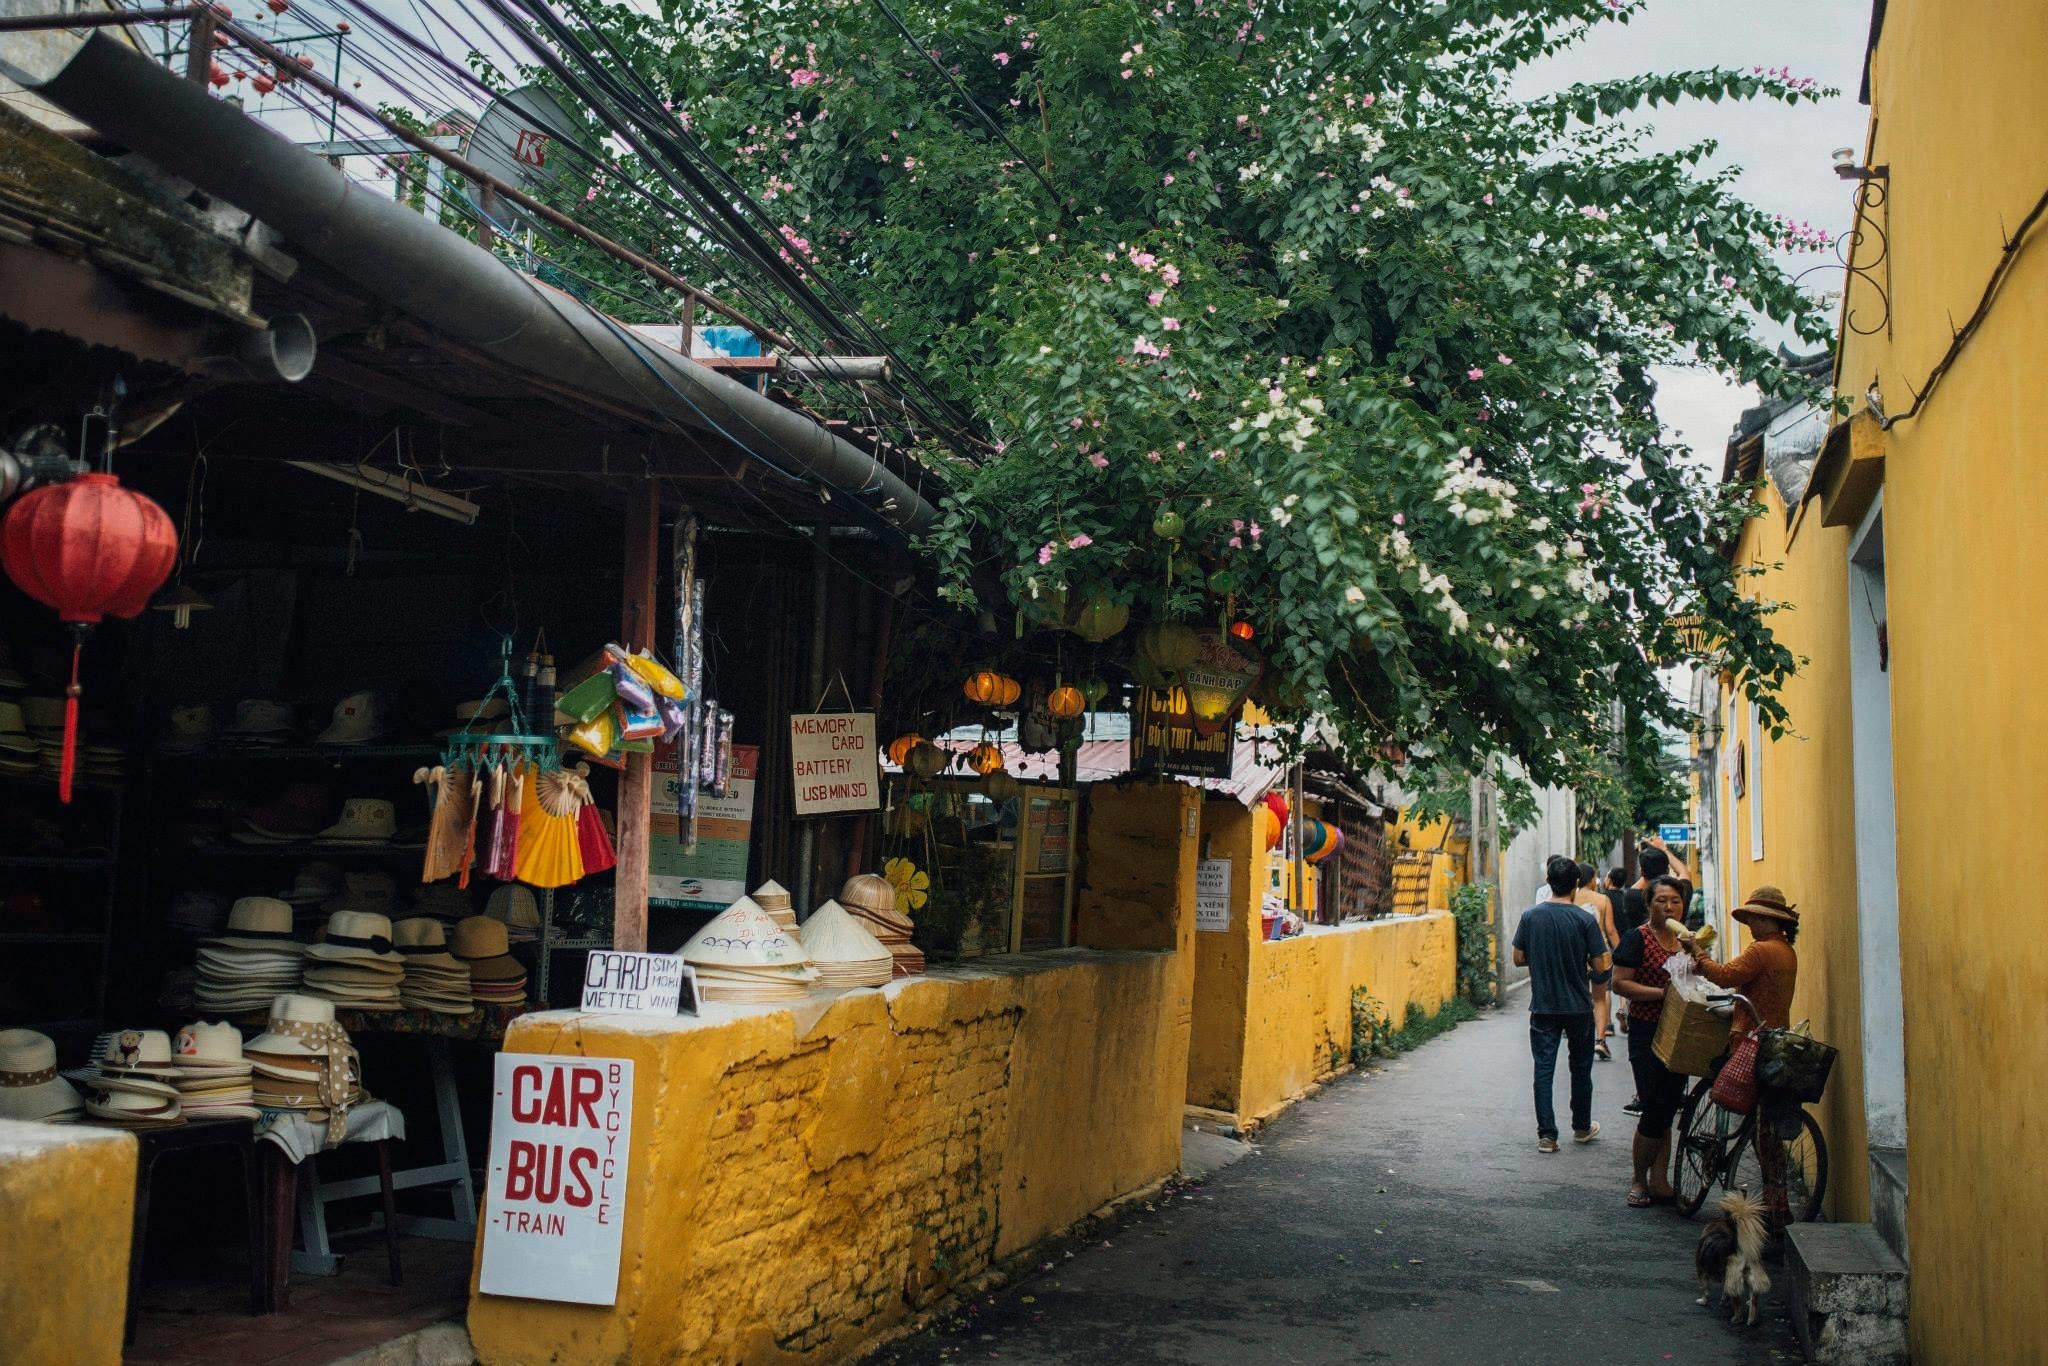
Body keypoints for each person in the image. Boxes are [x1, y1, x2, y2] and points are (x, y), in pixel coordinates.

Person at [1683, 886, 1801, 1227]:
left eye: (1753, 918)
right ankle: (1776, 1201)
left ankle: (1769, 1201)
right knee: (1767, 1128)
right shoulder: (1786, 951)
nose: (1749, 923)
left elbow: (1725, 976)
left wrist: (1697, 953)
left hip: (1750, 1038)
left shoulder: (1760, 951)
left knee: (1741, 1107)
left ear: (1767, 920)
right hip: (1777, 1038)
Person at [1513, 855, 1611, 1153]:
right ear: (1577, 884)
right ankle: (1582, 1127)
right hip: (1579, 1008)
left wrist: (1541, 958)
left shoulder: (1531, 916)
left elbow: (1518, 958)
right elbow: (1599, 964)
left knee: (1543, 1069)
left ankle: (1547, 1135)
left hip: (1543, 1007)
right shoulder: (1584, 919)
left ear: (1548, 882)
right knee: (1580, 1069)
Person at [1610, 876, 1691, 1207]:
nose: (1669, 906)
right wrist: (1662, 994)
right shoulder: (1636, 939)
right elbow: (1619, 984)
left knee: (1668, 1108)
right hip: (1647, 1032)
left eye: (1675, 900)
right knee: (1654, 1106)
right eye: (1661, 900)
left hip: (1681, 1034)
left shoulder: (1687, 941)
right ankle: (1639, 1179)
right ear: (1648, 905)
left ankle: (1661, 1180)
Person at [1574, 861, 1620, 1058]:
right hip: (1600, 954)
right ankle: (1600, 1040)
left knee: (1580, 997)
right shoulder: (1602, 899)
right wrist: (1621, 952)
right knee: (1600, 997)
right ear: (1592, 879)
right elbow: (1609, 930)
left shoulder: (1570, 898)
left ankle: (1581, 1038)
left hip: (1576, 955)